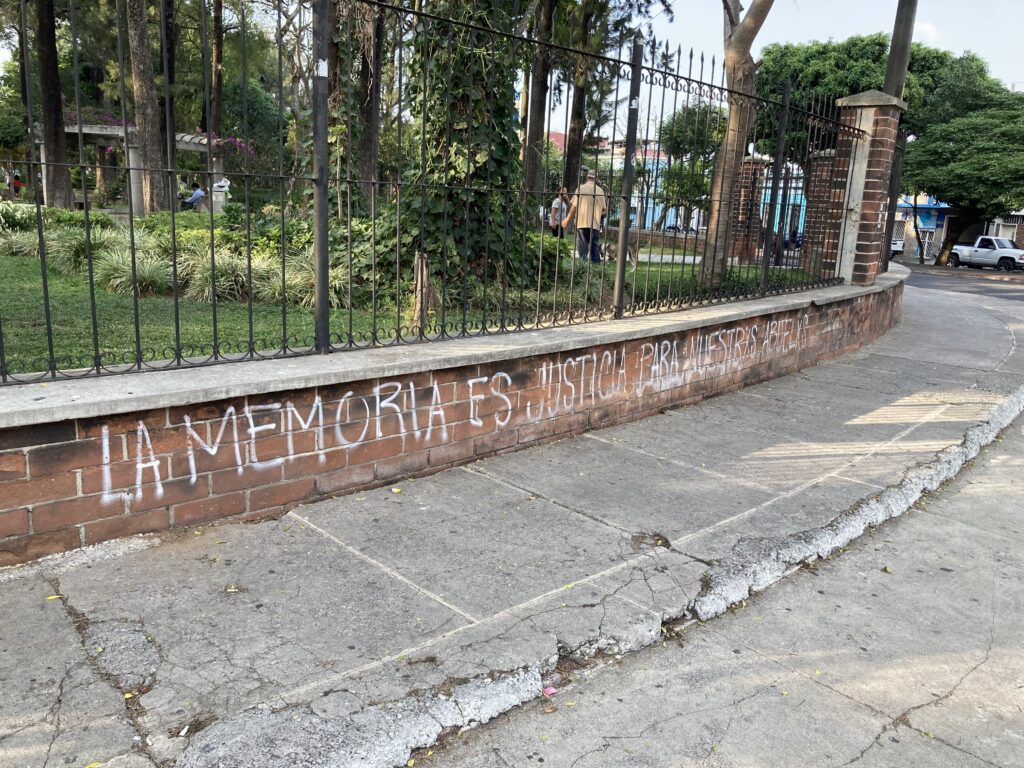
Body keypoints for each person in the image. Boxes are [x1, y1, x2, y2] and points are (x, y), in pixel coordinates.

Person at [562, 170, 608, 264]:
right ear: (596, 179)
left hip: (581, 223)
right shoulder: (600, 191)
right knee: (594, 249)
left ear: (587, 177)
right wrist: (596, 213)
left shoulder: (580, 188)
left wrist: (567, 219)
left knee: (582, 251)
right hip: (594, 225)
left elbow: (573, 207)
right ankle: (596, 271)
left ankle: (583, 270)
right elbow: (605, 210)